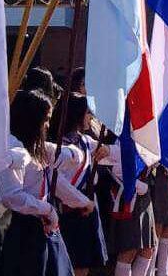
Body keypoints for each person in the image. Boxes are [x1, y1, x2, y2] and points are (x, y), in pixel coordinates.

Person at [0, 90, 74, 276]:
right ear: (31, 120)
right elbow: (12, 196)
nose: (48, 125)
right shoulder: (13, 146)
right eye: (45, 119)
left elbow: (70, 155)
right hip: (18, 230)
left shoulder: (33, 146)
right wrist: (46, 209)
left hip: (35, 226)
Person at [50, 93, 110, 276]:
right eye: (87, 113)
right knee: (70, 264)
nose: (90, 117)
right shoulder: (57, 145)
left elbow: (110, 154)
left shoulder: (83, 140)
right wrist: (81, 202)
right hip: (68, 208)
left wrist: (107, 149)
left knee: (83, 266)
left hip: (86, 207)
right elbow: (58, 183)